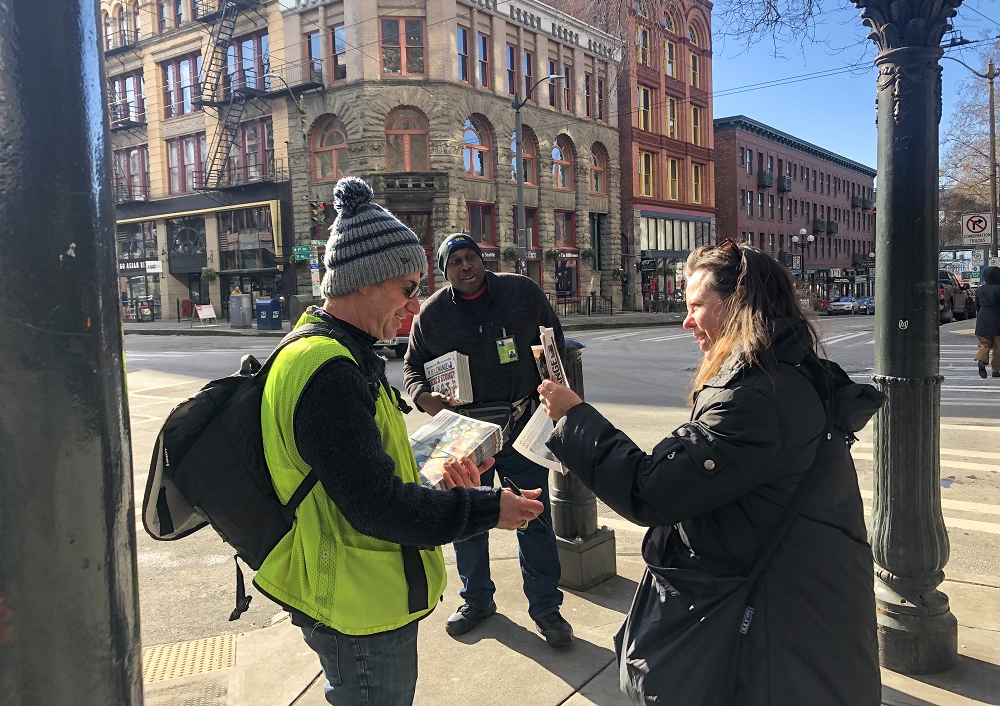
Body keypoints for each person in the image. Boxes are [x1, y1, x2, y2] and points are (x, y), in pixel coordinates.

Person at [538, 240, 882, 705]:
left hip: (773, 617)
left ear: (738, 305)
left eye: (697, 305)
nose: (687, 321)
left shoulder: (754, 396)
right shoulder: (789, 369)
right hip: (801, 598)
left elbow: (650, 490)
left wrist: (575, 418)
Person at [253, 178, 544, 706]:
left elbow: (356, 472)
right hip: (357, 606)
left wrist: (431, 475)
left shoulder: (332, 351)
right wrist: (486, 508)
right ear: (367, 281)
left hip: (362, 594)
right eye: (408, 287)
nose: (414, 306)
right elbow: (377, 508)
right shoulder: (329, 371)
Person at [403, 233, 574, 647]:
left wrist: (553, 392)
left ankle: (547, 609)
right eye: (456, 262)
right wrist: (427, 399)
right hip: (466, 438)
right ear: (444, 272)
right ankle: (477, 600)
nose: (466, 266)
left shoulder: (520, 292)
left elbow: (555, 343)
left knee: (532, 516)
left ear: (482, 260)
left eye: (471, 257)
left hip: (518, 429)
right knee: (468, 520)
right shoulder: (432, 314)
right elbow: (411, 369)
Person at [974, 265, 1000, 378]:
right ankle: (996, 370)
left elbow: (977, 306)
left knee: (984, 344)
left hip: (983, 320)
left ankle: (981, 360)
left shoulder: (980, 290)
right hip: (998, 320)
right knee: (998, 347)